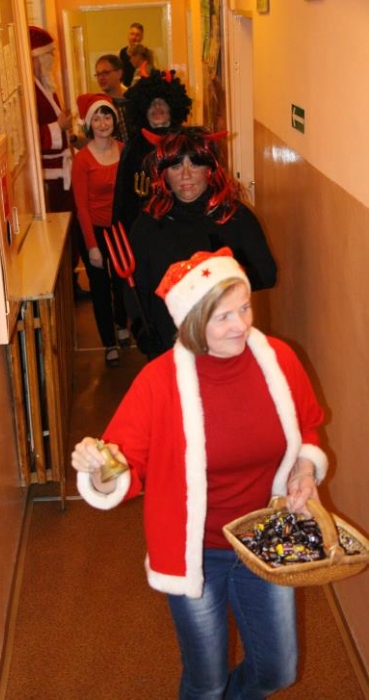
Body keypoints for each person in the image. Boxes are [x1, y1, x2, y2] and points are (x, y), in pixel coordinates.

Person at [71, 247, 328, 699]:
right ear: (192, 322)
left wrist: (304, 469)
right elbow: (122, 466)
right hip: (199, 552)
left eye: (244, 308)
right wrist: (98, 467)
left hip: (264, 538)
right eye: (223, 317)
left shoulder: (278, 360)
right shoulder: (159, 382)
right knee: (207, 682)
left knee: (277, 670)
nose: (241, 325)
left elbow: (307, 426)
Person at [127, 126, 277, 359]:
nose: (186, 175)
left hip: (224, 345)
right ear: (164, 173)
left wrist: (222, 278)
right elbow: (134, 288)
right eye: (176, 166)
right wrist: (141, 329)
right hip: (169, 346)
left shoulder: (234, 218)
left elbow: (267, 274)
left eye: (194, 164)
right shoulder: (148, 224)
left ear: (209, 169)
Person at [29, 25, 89, 300]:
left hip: (61, 172)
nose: (53, 58)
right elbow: (30, 135)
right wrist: (59, 127)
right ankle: (66, 288)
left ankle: (71, 282)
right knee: (61, 233)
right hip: (50, 178)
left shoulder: (45, 85)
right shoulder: (32, 90)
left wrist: (71, 136)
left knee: (70, 228)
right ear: (37, 57)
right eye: (49, 54)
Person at [71, 93, 129, 367]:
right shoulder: (82, 160)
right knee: (101, 287)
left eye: (107, 116)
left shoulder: (124, 150)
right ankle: (109, 342)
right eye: (96, 118)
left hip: (119, 229)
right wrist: (92, 246)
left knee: (122, 282)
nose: (103, 123)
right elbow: (81, 206)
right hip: (93, 229)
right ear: (89, 124)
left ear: (114, 120)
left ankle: (121, 323)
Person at [112, 68, 192, 236]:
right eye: (151, 103)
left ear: (173, 107)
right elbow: (123, 198)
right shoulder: (133, 147)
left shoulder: (186, 142)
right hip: (142, 230)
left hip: (181, 227)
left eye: (162, 102)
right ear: (143, 110)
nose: (157, 107)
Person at [94, 54, 129, 142]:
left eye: (105, 73)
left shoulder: (134, 99)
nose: (101, 78)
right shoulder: (99, 106)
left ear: (119, 73)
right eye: (98, 74)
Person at [119, 22, 144, 87]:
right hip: (125, 88)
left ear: (141, 37)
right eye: (132, 34)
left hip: (140, 87)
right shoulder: (123, 52)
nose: (134, 37)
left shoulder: (144, 53)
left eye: (137, 35)